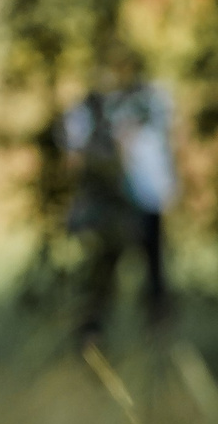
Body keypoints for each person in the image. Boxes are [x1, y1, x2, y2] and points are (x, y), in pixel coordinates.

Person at [60, 52, 175, 343]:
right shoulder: (91, 107)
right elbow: (73, 156)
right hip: (111, 204)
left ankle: (157, 333)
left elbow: (172, 142)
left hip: (147, 198)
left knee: (154, 269)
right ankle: (92, 333)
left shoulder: (151, 99)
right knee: (106, 268)